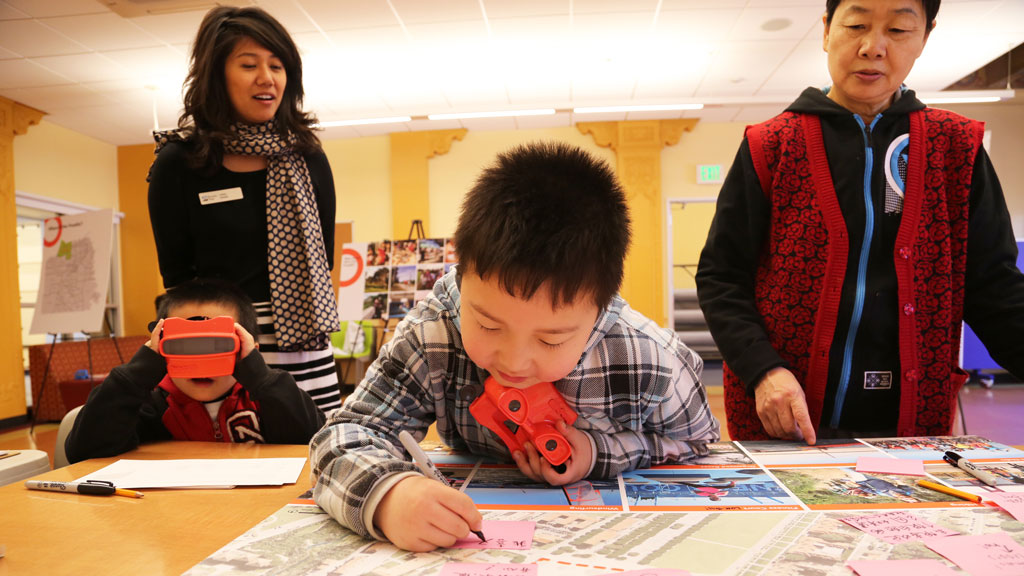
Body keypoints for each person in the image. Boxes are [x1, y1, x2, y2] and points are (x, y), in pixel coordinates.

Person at [310, 142, 720, 552]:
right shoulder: (432, 336)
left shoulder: (646, 358)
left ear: (600, 310)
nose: (514, 360)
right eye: (488, 325)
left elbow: (699, 442)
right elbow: (347, 433)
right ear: (462, 274)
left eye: (550, 339)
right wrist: (388, 495)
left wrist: (600, 451)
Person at [696, 0, 1024, 444]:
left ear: (925, 36)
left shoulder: (957, 149)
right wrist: (763, 369)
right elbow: (722, 276)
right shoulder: (771, 144)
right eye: (856, 25)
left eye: (899, 30)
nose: (873, 47)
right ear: (827, 30)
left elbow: (993, 288)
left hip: (912, 421)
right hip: (785, 414)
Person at [147, 6, 342, 413]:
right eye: (249, 64)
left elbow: (322, 256)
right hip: (215, 341)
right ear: (217, 75)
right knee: (223, 449)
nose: (267, 78)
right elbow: (178, 279)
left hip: (302, 340)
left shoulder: (306, 157)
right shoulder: (178, 163)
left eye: (277, 65)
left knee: (311, 446)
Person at [64, 278, 326, 464]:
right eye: (185, 344)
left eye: (218, 343)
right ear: (160, 348)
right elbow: (85, 452)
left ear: (248, 350)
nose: (201, 360)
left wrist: (261, 376)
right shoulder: (152, 405)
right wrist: (137, 374)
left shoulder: (266, 400)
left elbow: (316, 442)